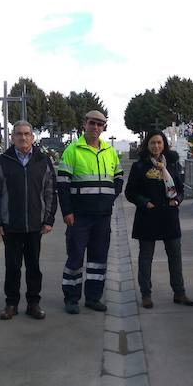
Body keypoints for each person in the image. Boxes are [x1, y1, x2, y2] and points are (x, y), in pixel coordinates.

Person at [0, 120, 57, 320]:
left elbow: (50, 191)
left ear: (32, 137)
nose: (23, 137)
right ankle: (11, 304)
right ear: (12, 137)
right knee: (12, 267)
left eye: (27, 134)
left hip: (35, 224)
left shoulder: (42, 160)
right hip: (11, 225)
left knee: (34, 267)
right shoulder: (3, 160)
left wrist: (49, 219)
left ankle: (33, 303)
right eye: (19, 134)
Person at [57, 110, 124, 314]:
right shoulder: (73, 150)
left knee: (98, 258)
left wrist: (108, 199)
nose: (96, 127)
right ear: (84, 124)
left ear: (104, 127)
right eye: (92, 123)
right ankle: (71, 298)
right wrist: (67, 211)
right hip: (79, 216)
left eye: (100, 124)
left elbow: (119, 177)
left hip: (102, 217)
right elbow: (62, 184)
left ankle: (93, 297)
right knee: (75, 258)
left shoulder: (109, 151)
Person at [124, 130, 193, 309]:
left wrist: (177, 199)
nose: (156, 146)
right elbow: (130, 192)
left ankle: (179, 293)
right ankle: (146, 294)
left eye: (159, 143)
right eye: (153, 143)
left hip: (169, 216)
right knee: (146, 258)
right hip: (148, 217)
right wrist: (144, 202)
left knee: (175, 257)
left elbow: (180, 188)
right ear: (147, 145)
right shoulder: (140, 166)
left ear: (164, 145)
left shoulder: (172, 164)